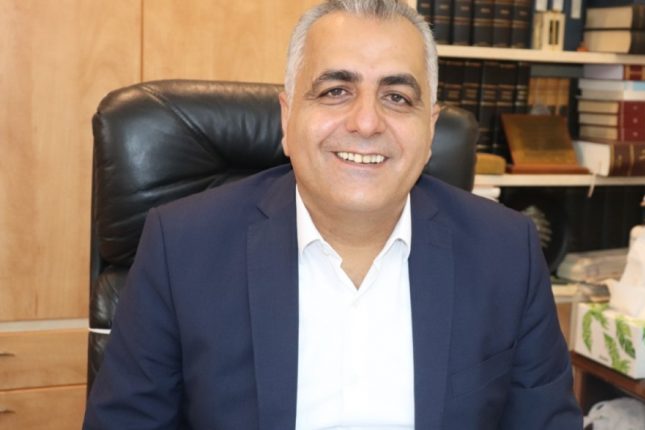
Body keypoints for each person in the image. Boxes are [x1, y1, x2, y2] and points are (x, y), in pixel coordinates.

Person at [83, 0, 582, 428]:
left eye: (397, 97)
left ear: (430, 130)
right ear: (287, 117)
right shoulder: (182, 248)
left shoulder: (506, 253)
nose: (366, 122)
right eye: (335, 91)